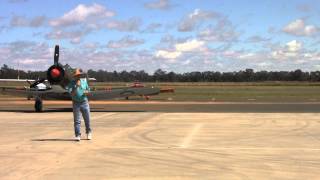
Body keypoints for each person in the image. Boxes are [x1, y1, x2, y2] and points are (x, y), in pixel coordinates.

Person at [67, 68, 92, 141]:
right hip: (76, 103)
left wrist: (86, 92)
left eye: (79, 75)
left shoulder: (84, 81)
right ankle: (77, 135)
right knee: (77, 120)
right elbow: (71, 93)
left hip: (84, 102)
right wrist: (77, 86)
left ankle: (89, 132)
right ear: (74, 76)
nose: (77, 77)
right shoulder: (71, 84)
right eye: (76, 75)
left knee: (87, 119)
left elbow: (88, 90)